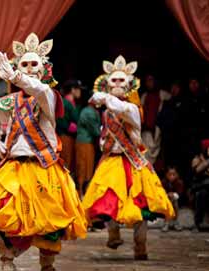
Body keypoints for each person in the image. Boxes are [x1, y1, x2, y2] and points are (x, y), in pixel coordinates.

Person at [0, 34, 87, 271]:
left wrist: (16, 77)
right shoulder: (8, 102)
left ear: (43, 69)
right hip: (13, 168)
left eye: (33, 64)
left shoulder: (47, 96)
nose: (28, 69)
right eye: (23, 65)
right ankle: (7, 261)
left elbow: (38, 90)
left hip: (44, 167)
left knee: (49, 220)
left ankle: (47, 265)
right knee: (4, 213)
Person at [82, 55, 174, 260]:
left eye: (121, 80)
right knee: (108, 200)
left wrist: (104, 97)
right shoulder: (106, 112)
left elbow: (120, 109)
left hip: (132, 161)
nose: (116, 84)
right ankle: (113, 234)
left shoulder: (132, 108)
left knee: (140, 205)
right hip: (111, 161)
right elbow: (103, 132)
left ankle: (140, 246)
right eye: (112, 80)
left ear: (130, 85)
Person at [75, 101, 101, 197]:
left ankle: (82, 191)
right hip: (85, 142)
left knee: (84, 167)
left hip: (84, 142)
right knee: (84, 168)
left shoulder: (87, 110)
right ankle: (82, 192)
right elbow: (95, 131)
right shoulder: (90, 112)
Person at [56, 80, 81, 172]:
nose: (80, 92)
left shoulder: (70, 103)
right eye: (78, 89)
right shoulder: (64, 103)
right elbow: (59, 120)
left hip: (69, 137)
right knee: (66, 162)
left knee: (70, 162)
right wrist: (69, 127)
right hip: (64, 136)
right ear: (72, 90)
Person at [191, 139, 209, 231]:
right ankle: (197, 223)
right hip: (200, 186)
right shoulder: (197, 159)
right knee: (201, 195)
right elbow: (197, 170)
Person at [161, 166, 184, 231]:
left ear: (177, 175)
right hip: (166, 201)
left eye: (174, 174)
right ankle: (166, 222)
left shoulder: (179, 182)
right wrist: (167, 195)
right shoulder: (163, 182)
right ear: (166, 175)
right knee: (169, 202)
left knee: (174, 201)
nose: (172, 176)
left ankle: (175, 221)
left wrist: (173, 195)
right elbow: (161, 192)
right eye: (170, 174)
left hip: (177, 201)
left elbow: (180, 194)